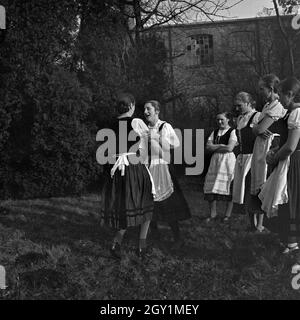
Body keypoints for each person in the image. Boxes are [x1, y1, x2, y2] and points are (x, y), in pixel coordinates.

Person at [99, 93, 155, 259]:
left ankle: (116, 242)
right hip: (133, 167)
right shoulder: (136, 122)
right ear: (131, 106)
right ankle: (141, 246)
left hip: (116, 170)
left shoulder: (108, 124)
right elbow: (147, 144)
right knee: (146, 204)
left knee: (125, 207)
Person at [144, 100, 191, 249]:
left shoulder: (165, 126)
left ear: (157, 111)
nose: (145, 112)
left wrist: (156, 138)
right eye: (144, 109)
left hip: (162, 167)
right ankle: (154, 233)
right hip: (147, 166)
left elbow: (175, 144)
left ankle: (178, 238)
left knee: (168, 202)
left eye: (148, 109)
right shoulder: (144, 128)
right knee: (148, 201)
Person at [262, 77, 300, 258]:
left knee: (289, 199)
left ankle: (292, 243)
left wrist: (275, 157)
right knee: (286, 199)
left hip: (294, 161)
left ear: (290, 95)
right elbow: (287, 142)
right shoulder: (290, 113)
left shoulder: (296, 113)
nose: (279, 98)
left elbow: (292, 146)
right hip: (289, 158)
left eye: (282, 94)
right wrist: (276, 150)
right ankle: (288, 239)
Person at [250, 74, 287, 233]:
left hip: (270, 146)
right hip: (260, 145)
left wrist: (256, 128)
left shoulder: (277, 106)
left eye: (262, 89)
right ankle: (258, 223)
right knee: (258, 180)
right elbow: (255, 128)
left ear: (271, 89)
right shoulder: (266, 105)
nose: (260, 92)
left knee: (266, 181)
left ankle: (268, 222)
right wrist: (256, 128)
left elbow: (260, 128)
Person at [232, 92, 260, 230]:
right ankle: (251, 223)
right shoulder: (240, 119)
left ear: (248, 103)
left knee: (253, 189)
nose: (237, 109)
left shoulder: (257, 117)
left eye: (240, 105)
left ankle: (259, 224)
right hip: (242, 157)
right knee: (245, 191)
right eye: (236, 106)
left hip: (254, 157)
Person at [203, 112, 237, 222]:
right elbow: (208, 146)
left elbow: (229, 148)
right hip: (216, 161)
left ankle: (227, 215)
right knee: (211, 186)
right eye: (218, 120)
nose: (219, 122)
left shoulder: (233, 132)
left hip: (227, 161)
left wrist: (216, 147)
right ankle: (213, 214)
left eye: (222, 119)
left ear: (228, 120)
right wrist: (221, 145)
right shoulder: (215, 132)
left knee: (228, 186)